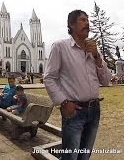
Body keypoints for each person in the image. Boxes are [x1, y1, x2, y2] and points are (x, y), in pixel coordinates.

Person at [43, 10, 111, 160]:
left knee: (85, 155)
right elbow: (49, 78)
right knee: (70, 157)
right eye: (82, 20)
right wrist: (64, 102)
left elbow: (106, 81)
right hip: (74, 112)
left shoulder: (94, 50)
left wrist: (97, 57)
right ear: (71, 24)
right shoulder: (60, 47)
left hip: (94, 111)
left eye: (88, 20)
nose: (87, 23)